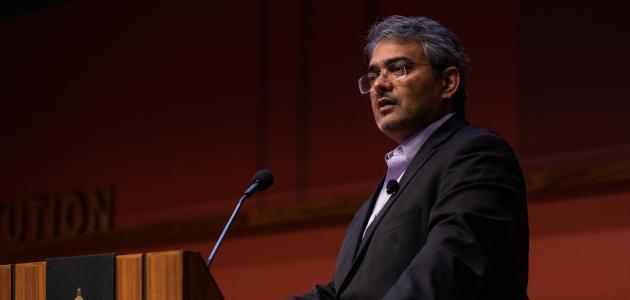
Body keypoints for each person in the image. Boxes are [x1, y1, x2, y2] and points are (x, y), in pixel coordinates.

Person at [291, 15, 529, 300]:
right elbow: (341, 293)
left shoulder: (477, 154)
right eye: (374, 74)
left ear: (448, 82)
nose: (379, 84)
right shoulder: (379, 195)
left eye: (398, 68)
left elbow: (450, 262)